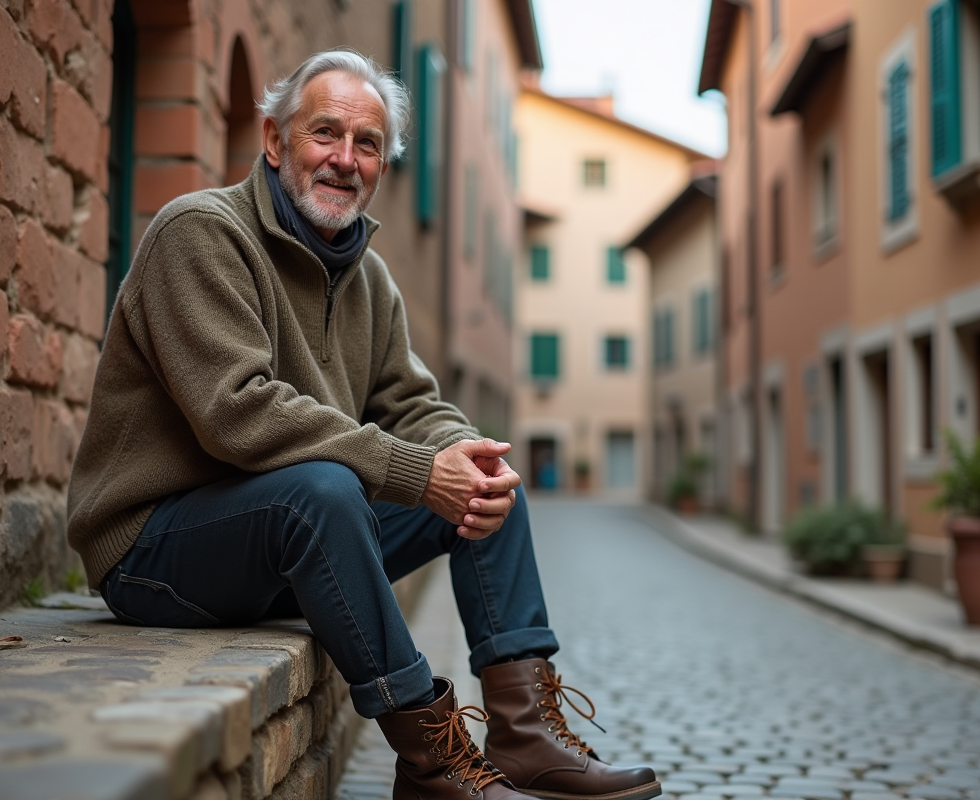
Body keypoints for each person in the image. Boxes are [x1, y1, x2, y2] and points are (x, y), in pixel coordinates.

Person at [67, 49, 659, 800]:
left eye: (368, 143)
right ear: (275, 141)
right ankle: (432, 762)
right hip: (155, 551)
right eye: (325, 133)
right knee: (323, 491)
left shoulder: (367, 277)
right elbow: (236, 411)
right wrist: (414, 471)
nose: (345, 159)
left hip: (278, 548)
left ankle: (524, 735)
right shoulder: (200, 233)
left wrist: (462, 454)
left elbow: (410, 402)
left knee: (486, 487)